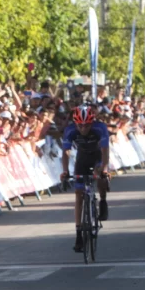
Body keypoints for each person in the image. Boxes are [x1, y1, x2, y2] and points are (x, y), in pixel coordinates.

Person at [60, 105, 111, 253]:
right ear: (75, 123)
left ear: (92, 122)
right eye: (80, 125)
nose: (83, 128)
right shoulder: (70, 130)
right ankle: (78, 234)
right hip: (82, 160)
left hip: (98, 157)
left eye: (87, 125)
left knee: (101, 175)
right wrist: (65, 171)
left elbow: (105, 151)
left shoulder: (100, 128)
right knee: (78, 195)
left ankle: (102, 200)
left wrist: (104, 169)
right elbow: (66, 152)